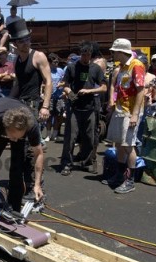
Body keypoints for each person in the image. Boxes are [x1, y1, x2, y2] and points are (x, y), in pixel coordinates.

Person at [8, 19, 52, 200]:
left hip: (34, 106)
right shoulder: (18, 59)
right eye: (22, 41)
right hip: (20, 106)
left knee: (32, 148)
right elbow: (18, 83)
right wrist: (8, 103)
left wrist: (46, 106)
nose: (26, 43)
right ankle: (25, 184)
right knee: (18, 146)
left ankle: (37, 187)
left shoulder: (38, 56)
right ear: (15, 44)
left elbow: (49, 81)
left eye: (27, 39)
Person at [0, 97, 44, 211]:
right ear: (6, 128)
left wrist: (37, 185)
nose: (15, 140)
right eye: (13, 137)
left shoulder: (31, 126)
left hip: (16, 123)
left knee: (17, 167)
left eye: (19, 137)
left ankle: (14, 207)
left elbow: (39, 154)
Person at [102, 38, 145, 194]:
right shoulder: (121, 68)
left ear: (121, 52)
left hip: (130, 112)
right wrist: (112, 105)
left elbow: (141, 91)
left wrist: (134, 115)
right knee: (120, 143)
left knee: (128, 145)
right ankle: (120, 175)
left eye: (114, 51)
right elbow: (118, 88)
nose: (112, 54)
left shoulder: (137, 66)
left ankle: (130, 180)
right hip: (120, 109)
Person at [60, 41, 107, 176]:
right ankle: (66, 163)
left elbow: (104, 87)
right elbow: (65, 84)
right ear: (80, 54)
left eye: (88, 55)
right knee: (70, 137)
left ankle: (87, 162)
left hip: (90, 108)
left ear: (91, 54)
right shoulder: (72, 67)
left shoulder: (95, 69)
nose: (85, 57)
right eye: (83, 55)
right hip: (74, 107)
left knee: (89, 137)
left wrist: (89, 91)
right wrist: (69, 92)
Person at [44, 53, 64, 142]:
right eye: (54, 62)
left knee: (57, 117)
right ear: (50, 62)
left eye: (57, 62)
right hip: (50, 97)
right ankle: (48, 134)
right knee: (48, 116)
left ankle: (55, 134)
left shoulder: (60, 71)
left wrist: (61, 84)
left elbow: (65, 82)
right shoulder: (46, 71)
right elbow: (43, 83)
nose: (56, 64)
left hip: (59, 97)